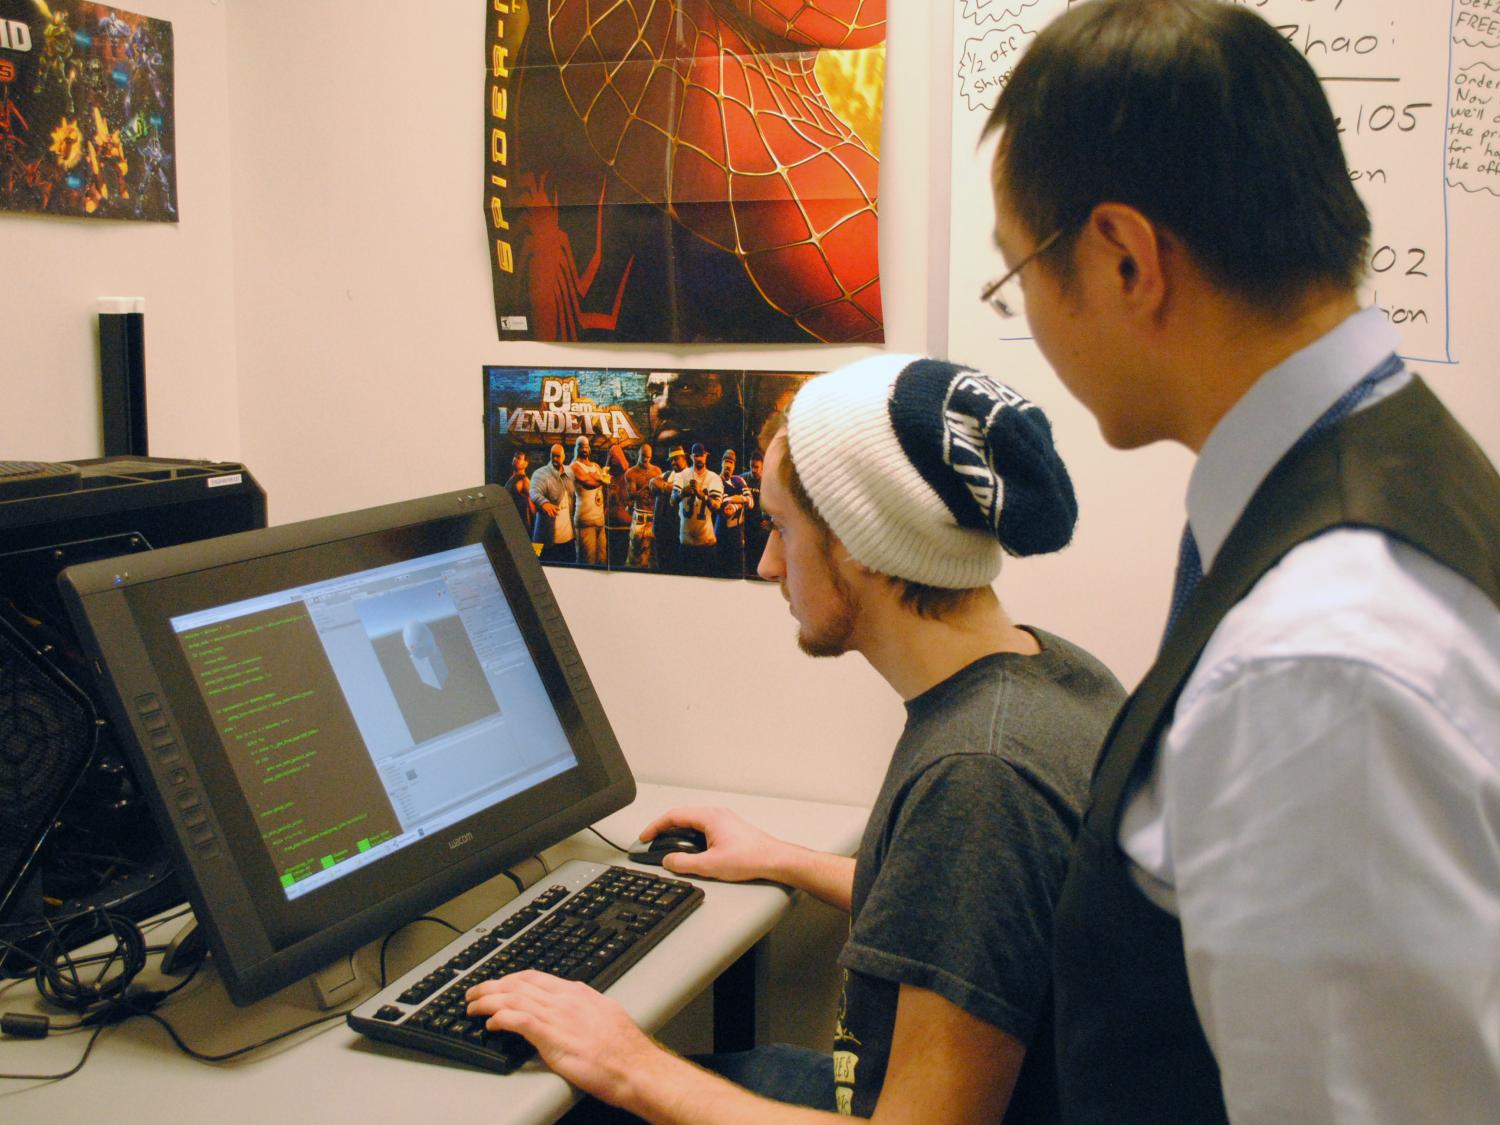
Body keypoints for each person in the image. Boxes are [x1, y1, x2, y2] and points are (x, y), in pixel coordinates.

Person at [983, 2, 1500, 1121]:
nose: (1025, 310)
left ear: (1124, 258)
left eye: (1017, 270)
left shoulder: (1316, 661)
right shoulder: (1401, 463)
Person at [467, 355, 1126, 1123]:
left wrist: (627, 1061)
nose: (768, 561)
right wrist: (783, 858)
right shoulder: (1043, 674)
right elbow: (978, 916)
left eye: (781, 527)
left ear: (858, 542)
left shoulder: (979, 776)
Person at [671, 442, 724, 577]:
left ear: (706, 456)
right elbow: (672, 500)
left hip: (706, 543)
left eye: (701, 455)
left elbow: (717, 506)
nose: (699, 459)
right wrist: (683, 493)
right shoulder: (682, 475)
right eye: (696, 456)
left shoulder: (714, 477)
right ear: (691, 457)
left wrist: (703, 496)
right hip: (686, 543)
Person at [528, 442, 575, 564]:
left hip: (568, 539)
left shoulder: (569, 472)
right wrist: (544, 503)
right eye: (552, 455)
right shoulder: (540, 473)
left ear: (564, 457)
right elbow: (533, 491)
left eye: (558, 456)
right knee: (540, 567)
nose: (555, 459)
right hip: (544, 538)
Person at [713, 448, 753, 577]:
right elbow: (726, 508)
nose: (728, 465)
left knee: (739, 572)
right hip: (722, 534)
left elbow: (751, 502)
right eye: (726, 461)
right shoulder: (715, 480)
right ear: (722, 462)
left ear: (735, 465)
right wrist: (741, 500)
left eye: (731, 462)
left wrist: (736, 502)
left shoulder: (739, 480)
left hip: (738, 535)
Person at [648, 444, 688, 573]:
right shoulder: (667, 474)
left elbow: (684, 490)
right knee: (661, 567)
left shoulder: (690, 475)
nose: (673, 462)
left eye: (676, 459)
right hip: (661, 531)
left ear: (684, 458)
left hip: (678, 532)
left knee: (677, 568)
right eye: (671, 460)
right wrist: (669, 487)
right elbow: (652, 483)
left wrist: (664, 487)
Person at [568, 436, 608, 566]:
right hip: (585, 521)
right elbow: (588, 483)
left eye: (586, 446)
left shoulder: (595, 465)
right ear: (576, 448)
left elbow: (603, 483)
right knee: (587, 562)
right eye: (581, 446)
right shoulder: (574, 466)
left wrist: (599, 476)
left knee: (602, 561)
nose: (584, 448)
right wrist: (601, 477)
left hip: (600, 520)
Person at [623, 443, 661, 569]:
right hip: (639, 517)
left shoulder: (656, 471)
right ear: (638, 454)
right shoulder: (631, 473)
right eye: (643, 456)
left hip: (653, 517)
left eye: (648, 457)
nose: (645, 459)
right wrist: (645, 487)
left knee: (653, 558)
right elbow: (630, 496)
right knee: (635, 558)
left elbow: (660, 494)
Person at [501, 450, 534, 534]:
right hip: (510, 522)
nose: (515, 459)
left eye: (519, 458)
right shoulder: (512, 478)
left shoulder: (525, 481)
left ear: (525, 464)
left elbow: (533, 507)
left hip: (521, 526)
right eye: (514, 457)